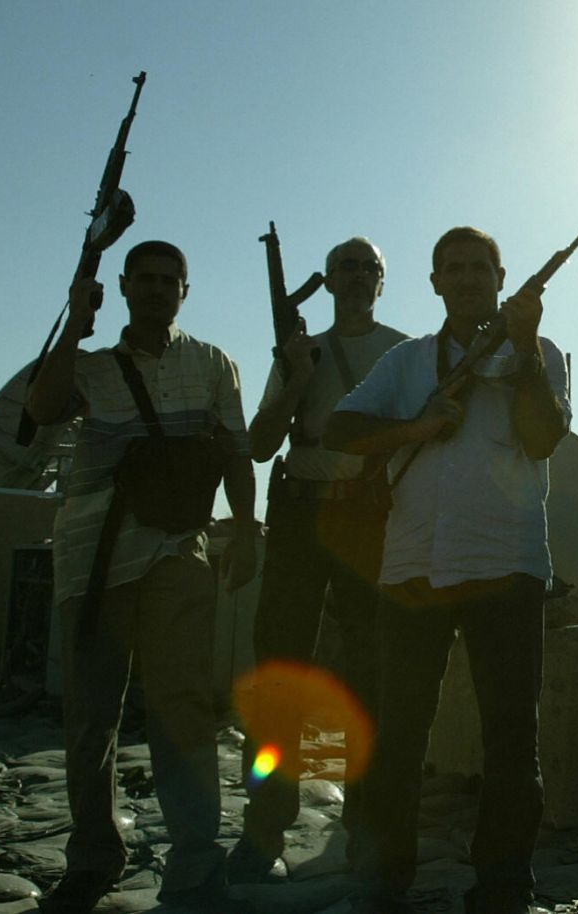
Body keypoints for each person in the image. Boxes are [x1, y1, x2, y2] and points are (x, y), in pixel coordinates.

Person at [324, 226, 569, 914]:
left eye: (479, 268)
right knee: (397, 732)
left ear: (501, 277)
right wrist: (415, 427)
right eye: (453, 268)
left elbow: (545, 436)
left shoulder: (540, 352)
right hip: (413, 568)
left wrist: (522, 349)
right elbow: (340, 430)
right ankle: (384, 873)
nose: (467, 279)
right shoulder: (407, 361)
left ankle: (502, 881)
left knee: (512, 737)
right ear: (434, 282)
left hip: (508, 566)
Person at [25, 240, 260, 913]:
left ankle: (194, 861)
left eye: (169, 280)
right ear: (124, 287)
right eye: (146, 280)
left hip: (177, 553)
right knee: (90, 716)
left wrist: (242, 529)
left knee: (182, 708)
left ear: (186, 289)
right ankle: (92, 855)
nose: (157, 290)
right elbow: (42, 409)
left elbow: (239, 455)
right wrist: (74, 323)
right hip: (92, 556)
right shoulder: (94, 367)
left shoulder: (213, 363)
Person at [230, 237, 407, 880]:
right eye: (346, 267)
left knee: (369, 673)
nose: (358, 277)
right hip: (301, 514)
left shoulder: (404, 352)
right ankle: (263, 831)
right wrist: (297, 377)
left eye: (369, 268)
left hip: (368, 517)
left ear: (383, 282)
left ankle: (362, 823)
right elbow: (258, 442)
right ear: (327, 281)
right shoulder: (297, 351)